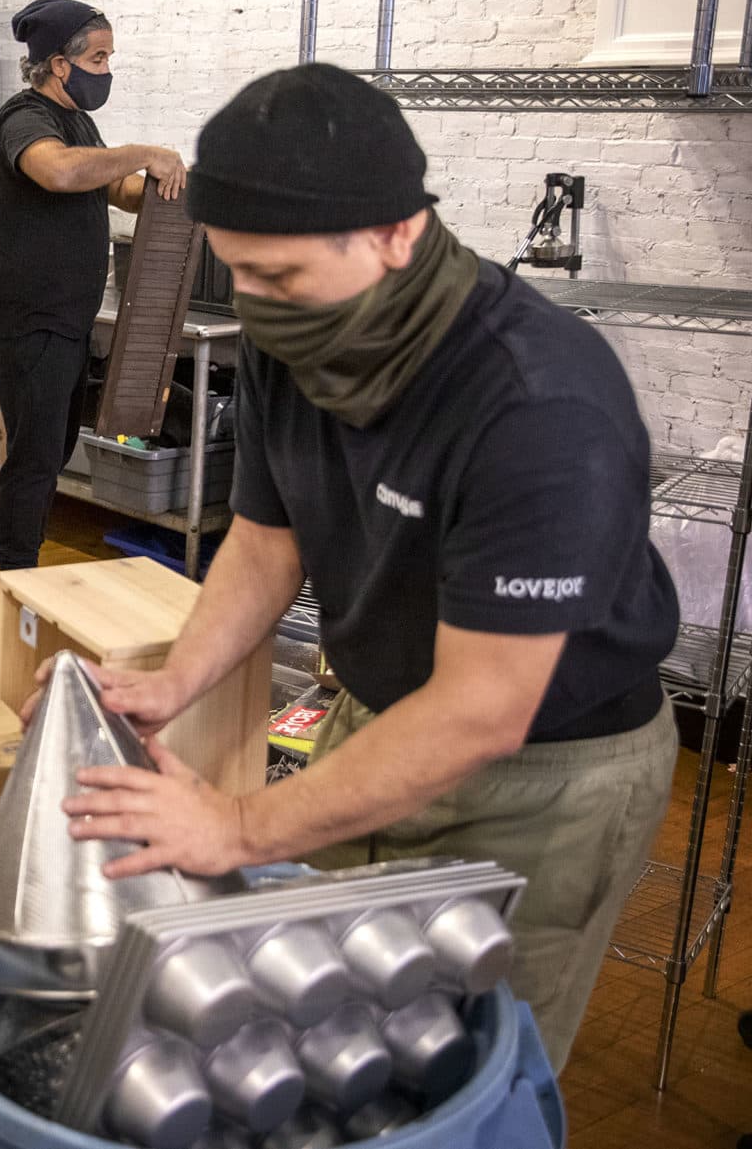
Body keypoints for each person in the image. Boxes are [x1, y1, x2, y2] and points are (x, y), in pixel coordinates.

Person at [51, 63, 680, 1070]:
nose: (257, 308)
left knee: (463, 1067)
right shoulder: (292, 339)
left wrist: (242, 826)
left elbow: (483, 709)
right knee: (324, 1031)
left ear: (395, 233)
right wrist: (176, 679)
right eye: (238, 276)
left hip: (546, 778)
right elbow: (268, 539)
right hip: (381, 714)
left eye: (281, 278)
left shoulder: (540, 406)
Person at [0, 0, 187, 596]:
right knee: (36, 457)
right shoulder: (22, 119)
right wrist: (146, 152)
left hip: (68, 319)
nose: (107, 69)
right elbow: (62, 173)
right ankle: (14, 584)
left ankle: (17, 576)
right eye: (98, 57)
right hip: (31, 319)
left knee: (54, 447)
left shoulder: (79, 123)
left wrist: (172, 188)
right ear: (59, 65)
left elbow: (112, 187)